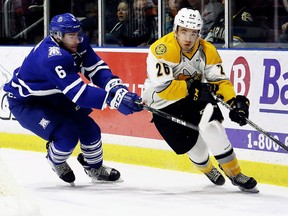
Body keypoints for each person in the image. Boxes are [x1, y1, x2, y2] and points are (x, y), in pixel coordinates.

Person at [3, 13, 142, 185]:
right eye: (71, 36)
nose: (77, 39)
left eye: (78, 34)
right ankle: (56, 161)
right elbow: (80, 94)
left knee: (90, 130)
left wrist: (117, 89)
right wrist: (113, 100)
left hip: (54, 94)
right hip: (27, 102)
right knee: (67, 135)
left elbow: (96, 69)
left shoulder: (76, 42)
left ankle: (95, 169)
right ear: (58, 36)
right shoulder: (51, 57)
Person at [142, 8, 259, 193]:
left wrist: (234, 101)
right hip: (162, 104)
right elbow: (164, 90)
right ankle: (208, 169)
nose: (188, 38)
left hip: (193, 98)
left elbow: (219, 80)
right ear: (175, 30)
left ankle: (235, 173)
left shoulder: (207, 50)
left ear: (199, 33)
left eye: (194, 33)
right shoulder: (161, 49)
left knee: (212, 125)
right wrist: (191, 86)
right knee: (194, 147)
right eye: (184, 32)